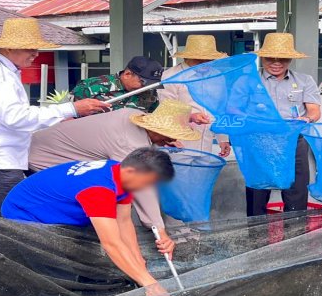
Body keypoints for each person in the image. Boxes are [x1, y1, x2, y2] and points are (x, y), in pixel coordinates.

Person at [0, 18, 109, 216]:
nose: (36, 54)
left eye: (37, 48)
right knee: (1, 223)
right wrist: (70, 109)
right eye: (30, 48)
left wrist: (58, 117)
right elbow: (16, 117)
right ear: (8, 47)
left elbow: (11, 115)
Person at [2, 148, 175, 296]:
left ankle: (88, 292)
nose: (147, 189)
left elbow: (123, 222)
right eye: (147, 183)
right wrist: (151, 285)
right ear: (132, 172)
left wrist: (139, 265)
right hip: (24, 215)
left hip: (56, 211)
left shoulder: (119, 171)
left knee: (112, 263)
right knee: (60, 280)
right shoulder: (99, 190)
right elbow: (112, 244)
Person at [29, 99, 206, 255]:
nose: (173, 140)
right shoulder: (128, 144)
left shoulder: (133, 114)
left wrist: (165, 135)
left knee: (119, 204)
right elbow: (143, 191)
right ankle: (96, 255)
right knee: (98, 209)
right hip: (44, 160)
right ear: (158, 130)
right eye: (172, 135)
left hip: (47, 145)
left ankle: (123, 253)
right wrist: (160, 230)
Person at [246, 33, 320, 216]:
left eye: (283, 58)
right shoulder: (248, 81)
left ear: (291, 59)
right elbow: (237, 111)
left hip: (293, 142)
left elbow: (314, 111)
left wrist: (307, 119)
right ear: (262, 57)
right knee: (257, 195)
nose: (276, 63)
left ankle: (296, 241)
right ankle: (257, 242)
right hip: (260, 143)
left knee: (296, 193)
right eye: (271, 58)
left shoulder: (305, 81)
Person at [158, 35, 231, 156]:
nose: (203, 63)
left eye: (208, 60)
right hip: (178, 143)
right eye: (198, 60)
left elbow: (220, 109)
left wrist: (223, 139)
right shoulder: (171, 76)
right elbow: (165, 110)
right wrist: (190, 116)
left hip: (207, 142)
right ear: (187, 57)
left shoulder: (217, 76)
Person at [72, 56, 163, 112]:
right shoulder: (89, 87)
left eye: (152, 85)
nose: (147, 88)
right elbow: (68, 117)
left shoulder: (150, 92)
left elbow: (153, 116)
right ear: (127, 74)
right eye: (143, 83)